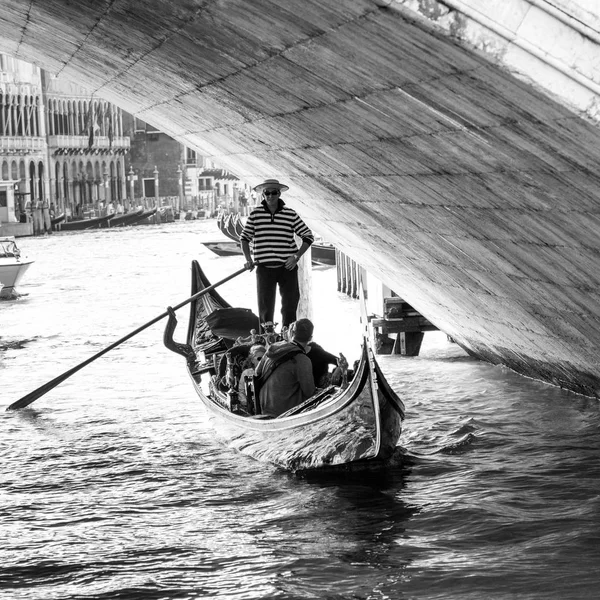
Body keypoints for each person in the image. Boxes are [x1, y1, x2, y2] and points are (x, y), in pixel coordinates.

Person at [240, 179, 314, 329]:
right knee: (266, 308)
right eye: (267, 193)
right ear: (263, 194)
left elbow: (308, 236)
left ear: (279, 194)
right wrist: (248, 260)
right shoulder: (255, 215)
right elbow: (244, 238)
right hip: (264, 268)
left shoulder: (290, 214)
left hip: (287, 268)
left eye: (274, 192)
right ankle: (268, 338)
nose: (270, 196)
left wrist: (296, 257)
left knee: (289, 306)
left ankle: (287, 336)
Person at [254, 318, 316, 417]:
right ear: (310, 338)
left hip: (264, 407)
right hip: (284, 413)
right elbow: (309, 393)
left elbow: (257, 372)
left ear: (292, 333)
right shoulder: (302, 360)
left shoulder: (273, 347)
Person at [237, 344, 267, 409]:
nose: (262, 362)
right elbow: (241, 392)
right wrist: (248, 404)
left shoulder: (269, 371)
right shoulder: (246, 373)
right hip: (252, 406)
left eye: (264, 359)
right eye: (259, 359)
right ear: (253, 360)